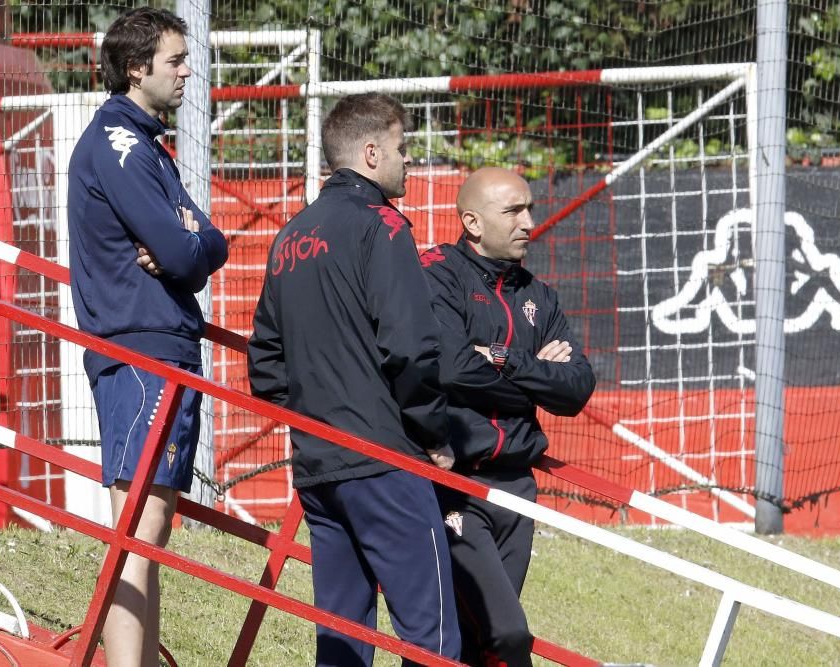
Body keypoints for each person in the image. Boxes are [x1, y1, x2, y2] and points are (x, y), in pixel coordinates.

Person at [247, 92, 461, 666]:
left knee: (341, 639)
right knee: (432, 635)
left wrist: (324, 405)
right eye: (402, 147)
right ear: (370, 152)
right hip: (384, 459)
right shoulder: (383, 226)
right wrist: (435, 433)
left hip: (318, 464)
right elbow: (412, 349)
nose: (409, 160)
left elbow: (265, 366)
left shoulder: (289, 235)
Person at [66, 8, 228, 667]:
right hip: (138, 349)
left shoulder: (144, 145)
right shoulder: (118, 144)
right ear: (137, 69)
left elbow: (207, 241)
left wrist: (193, 241)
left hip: (161, 346)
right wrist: (188, 243)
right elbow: (185, 253)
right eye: (174, 60)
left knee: (152, 523)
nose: (188, 70)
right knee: (139, 522)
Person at [420, 167, 596, 667]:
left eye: (530, 208)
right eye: (513, 211)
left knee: (478, 643)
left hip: (517, 488)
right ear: (472, 222)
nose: (529, 222)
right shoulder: (438, 273)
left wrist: (506, 358)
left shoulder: (538, 294)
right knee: (507, 637)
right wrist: (539, 376)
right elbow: (451, 368)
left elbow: (577, 388)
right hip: (455, 484)